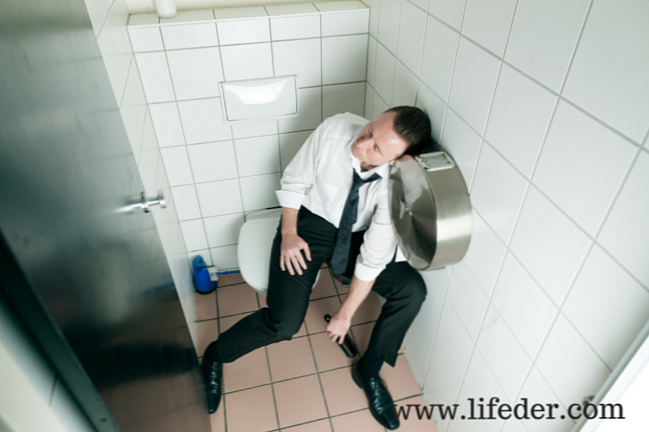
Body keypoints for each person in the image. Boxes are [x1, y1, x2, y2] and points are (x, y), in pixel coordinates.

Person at [201, 106, 433, 430]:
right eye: (369, 130)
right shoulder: (336, 129)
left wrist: (346, 313)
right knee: (283, 323)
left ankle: (368, 371)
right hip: (310, 224)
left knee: (412, 291)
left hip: (357, 234)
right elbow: (295, 181)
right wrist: (288, 234)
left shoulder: (395, 185)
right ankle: (215, 354)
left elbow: (372, 257)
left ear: (396, 160)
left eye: (377, 148)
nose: (361, 144)